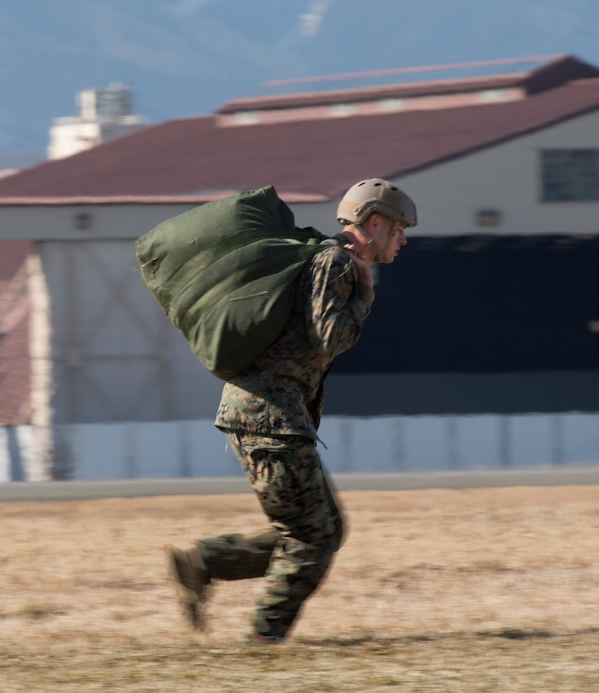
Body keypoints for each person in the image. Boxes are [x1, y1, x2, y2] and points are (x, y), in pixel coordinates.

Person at [167, 178, 417, 643]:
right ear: (375, 223)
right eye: (400, 228)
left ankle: (204, 562)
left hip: (270, 415)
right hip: (270, 418)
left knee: (323, 528)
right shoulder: (339, 263)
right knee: (311, 540)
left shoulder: (324, 257)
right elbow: (331, 337)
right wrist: (365, 294)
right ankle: (264, 640)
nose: (403, 239)